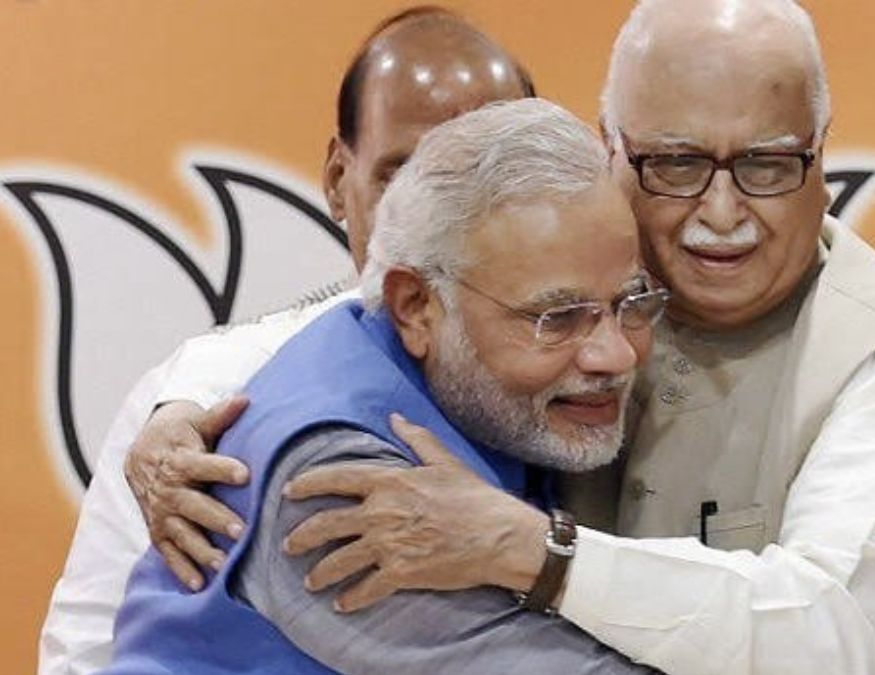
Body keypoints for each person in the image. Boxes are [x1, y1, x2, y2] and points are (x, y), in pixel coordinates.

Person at [47, 4, 875, 675]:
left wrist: (533, 551)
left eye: (768, 164)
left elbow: (846, 629)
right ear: (616, 152)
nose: (721, 212)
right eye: (677, 162)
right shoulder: (341, 475)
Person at [37, 8, 534, 673]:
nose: (442, 218)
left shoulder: (592, 381)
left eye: (484, 179)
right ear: (337, 180)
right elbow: (85, 651)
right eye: (402, 175)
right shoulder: (204, 397)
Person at [103, 98, 672, 675]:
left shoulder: (448, 371)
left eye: (631, 302)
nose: (617, 355)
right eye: (557, 318)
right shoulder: (331, 473)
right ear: (415, 306)